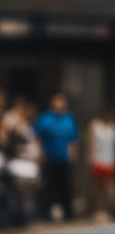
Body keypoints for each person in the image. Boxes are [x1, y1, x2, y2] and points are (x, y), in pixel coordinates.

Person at [33, 93, 79, 221]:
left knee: (66, 187)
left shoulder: (69, 119)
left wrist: (74, 157)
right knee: (48, 187)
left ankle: (68, 212)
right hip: (49, 158)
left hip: (64, 159)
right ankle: (44, 213)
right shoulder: (45, 118)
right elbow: (37, 138)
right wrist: (40, 154)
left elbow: (73, 140)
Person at [88, 109, 115, 220]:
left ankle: (106, 209)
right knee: (98, 188)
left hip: (109, 161)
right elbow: (91, 144)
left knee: (108, 188)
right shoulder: (95, 126)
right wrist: (91, 159)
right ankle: (97, 210)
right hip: (98, 160)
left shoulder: (113, 128)